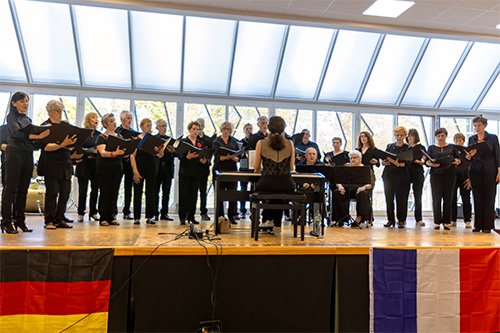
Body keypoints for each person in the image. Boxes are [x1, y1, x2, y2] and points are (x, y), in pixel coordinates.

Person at [1, 92, 49, 234]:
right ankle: (6, 222)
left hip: (27, 153)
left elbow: (30, 140)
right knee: (10, 189)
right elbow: (16, 133)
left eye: (27, 101)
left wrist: (40, 139)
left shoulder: (27, 119)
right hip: (14, 153)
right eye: (22, 101)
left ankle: (20, 221)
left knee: (23, 189)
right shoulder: (11, 117)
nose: (25, 103)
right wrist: (37, 136)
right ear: (14, 103)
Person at [39, 100, 83, 229]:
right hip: (51, 164)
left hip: (65, 163)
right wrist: (63, 144)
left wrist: (73, 145)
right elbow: (46, 147)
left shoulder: (65, 126)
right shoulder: (45, 126)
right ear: (49, 112)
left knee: (65, 192)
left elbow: (68, 145)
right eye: (57, 111)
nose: (60, 114)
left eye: (61, 111)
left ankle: (59, 218)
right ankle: (49, 220)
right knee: (52, 193)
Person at [253, 116, 295, 236]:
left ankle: (267, 219)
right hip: (286, 183)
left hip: (267, 182)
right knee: (279, 193)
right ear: (283, 128)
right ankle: (277, 224)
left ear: (269, 127)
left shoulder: (261, 143)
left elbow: (256, 167)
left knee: (269, 189)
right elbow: (291, 167)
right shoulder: (290, 143)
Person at [466, 115, 500, 233]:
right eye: (475, 126)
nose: (476, 128)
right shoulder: (472, 139)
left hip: (490, 170)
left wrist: (499, 172)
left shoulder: (493, 138)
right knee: (477, 197)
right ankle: (478, 225)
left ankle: (488, 226)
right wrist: (469, 155)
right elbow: (468, 157)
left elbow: (497, 155)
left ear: (484, 125)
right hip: (475, 170)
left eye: (479, 125)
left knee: (489, 197)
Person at [426, 128, 461, 230]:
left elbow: (459, 160)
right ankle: (437, 221)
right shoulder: (432, 148)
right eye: (438, 136)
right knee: (436, 198)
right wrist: (430, 163)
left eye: (442, 135)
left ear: (446, 136)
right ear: (436, 137)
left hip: (450, 175)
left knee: (448, 198)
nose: (440, 138)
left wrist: (457, 161)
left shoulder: (452, 147)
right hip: (436, 175)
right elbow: (427, 161)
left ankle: (446, 221)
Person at [130, 118, 163, 225]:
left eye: (150, 125)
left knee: (151, 192)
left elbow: (159, 155)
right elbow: (132, 156)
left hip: (151, 167)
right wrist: (135, 171)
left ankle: (149, 216)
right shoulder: (136, 139)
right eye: (147, 125)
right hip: (139, 167)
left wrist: (161, 150)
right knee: (138, 192)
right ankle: (137, 218)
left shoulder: (153, 139)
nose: (149, 127)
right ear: (141, 127)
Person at [96, 114, 126, 226]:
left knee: (114, 192)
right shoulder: (101, 137)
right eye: (111, 121)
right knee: (105, 192)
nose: (114, 123)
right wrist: (115, 153)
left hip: (117, 166)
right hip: (104, 167)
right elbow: (103, 153)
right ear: (105, 124)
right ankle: (103, 217)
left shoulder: (119, 137)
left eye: (114, 120)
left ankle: (112, 216)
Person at [332, 150, 374, 227]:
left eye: (355, 158)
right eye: (351, 158)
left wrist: (363, 188)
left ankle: (359, 217)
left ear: (360, 158)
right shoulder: (346, 168)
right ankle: (341, 218)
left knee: (362, 194)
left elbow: (370, 184)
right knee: (337, 192)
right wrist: (340, 186)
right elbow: (338, 180)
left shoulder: (366, 168)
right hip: (347, 189)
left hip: (360, 189)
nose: (353, 160)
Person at [178, 121, 207, 225]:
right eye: (194, 129)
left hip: (196, 172)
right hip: (185, 172)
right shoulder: (184, 141)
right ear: (189, 130)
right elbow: (179, 156)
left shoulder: (200, 143)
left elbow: (204, 156)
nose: (196, 131)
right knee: (184, 195)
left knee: (194, 196)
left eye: (197, 129)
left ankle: (191, 216)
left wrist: (204, 162)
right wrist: (187, 157)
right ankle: (182, 217)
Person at [382, 126, 410, 229]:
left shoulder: (407, 148)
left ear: (405, 136)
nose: (399, 137)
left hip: (401, 176)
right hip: (388, 175)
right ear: (394, 135)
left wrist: (395, 163)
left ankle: (401, 220)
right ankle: (390, 220)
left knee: (401, 199)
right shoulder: (389, 146)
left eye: (401, 135)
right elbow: (384, 159)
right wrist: (384, 162)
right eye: (397, 135)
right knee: (389, 199)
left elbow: (407, 164)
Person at [213, 121, 240, 224]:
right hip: (219, 170)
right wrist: (227, 157)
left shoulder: (234, 141)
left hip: (232, 170)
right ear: (221, 130)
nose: (226, 131)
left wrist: (236, 158)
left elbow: (238, 154)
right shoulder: (216, 141)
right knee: (220, 194)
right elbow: (216, 156)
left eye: (228, 129)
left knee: (232, 194)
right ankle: (220, 216)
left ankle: (231, 216)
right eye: (224, 129)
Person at [76, 112, 101, 222]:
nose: (95, 119)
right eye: (93, 117)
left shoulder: (99, 135)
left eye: (96, 118)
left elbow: (100, 148)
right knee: (83, 190)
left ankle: (93, 212)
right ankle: (81, 213)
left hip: (96, 164)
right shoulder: (82, 133)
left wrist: (92, 150)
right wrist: (91, 150)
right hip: (83, 163)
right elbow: (78, 148)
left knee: (95, 189)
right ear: (88, 120)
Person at [153, 119, 174, 221]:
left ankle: (164, 213)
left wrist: (172, 151)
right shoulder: (154, 139)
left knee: (166, 192)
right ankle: (155, 213)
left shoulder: (170, 139)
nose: (164, 128)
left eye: (165, 126)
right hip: (157, 168)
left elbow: (177, 154)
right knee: (155, 192)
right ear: (157, 128)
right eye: (161, 126)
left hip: (168, 169)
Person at [116, 110, 135, 220]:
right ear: (122, 119)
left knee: (129, 188)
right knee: (116, 186)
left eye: (130, 118)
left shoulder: (133, 133)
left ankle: (126, 211)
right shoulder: (117, 131)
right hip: (118, 161)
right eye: (127, 118)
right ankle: (113, 211)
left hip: (129, 162)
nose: (129, 120)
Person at [451, 133, 472, 229]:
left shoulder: (468, 152)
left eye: (460, 140)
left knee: (466, 199)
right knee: (452, 199)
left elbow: (471, 166)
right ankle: (453, 220)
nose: (458, 143)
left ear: (464, 141)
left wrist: (470, 178)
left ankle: (467, 220)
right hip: (454, 177)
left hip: (465, 178)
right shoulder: (452, 152)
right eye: (456, 141)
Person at [406, 129, 426, 227]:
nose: (410, 137)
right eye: (409, 135)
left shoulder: (421, 147)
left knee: (418, 196)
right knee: (404, 196)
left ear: (416, 137)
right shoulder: (405, 147)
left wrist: (419, 162)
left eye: (412, 135)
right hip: (406, 173)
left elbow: (425, 161)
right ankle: (402, 218)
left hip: (417, 172)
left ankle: (419, 219)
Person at [196, 118, 212, 221]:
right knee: (192, 192)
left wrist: (206, 160)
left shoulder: (208, 139)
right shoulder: (192, 138)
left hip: (204, 168)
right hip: (193, 168)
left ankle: (203, 212)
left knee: (203, 191)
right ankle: (190, 212)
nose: (200, 126)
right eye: (198, 125)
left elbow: (211, 154)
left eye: (201, 124)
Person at [239, 123, 253, 218]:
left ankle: (253, 211)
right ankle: (242, 211)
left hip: (253, 168)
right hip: (243, 168)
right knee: (243, 190)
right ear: (244, 131)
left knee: (253, 190)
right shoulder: (240, 142)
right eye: (247, 129)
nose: (248, 130)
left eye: (250, 129)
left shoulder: (255, 141)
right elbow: (237, 154)